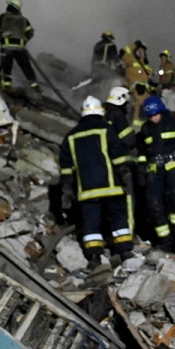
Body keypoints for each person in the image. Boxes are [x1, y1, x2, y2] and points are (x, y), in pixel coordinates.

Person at [59, 96, 135, 267]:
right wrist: (125, 176)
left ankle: (94, 257)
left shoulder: (71, 136)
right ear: (100, 112)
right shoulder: (105, 129)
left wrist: (67, 190)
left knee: (91, 224)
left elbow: (66, 168)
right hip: (110, 187)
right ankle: (124, 251)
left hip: (86, 191)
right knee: (118, 219)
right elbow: (118, 156)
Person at [136, 95, 175, 252]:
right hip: (155, 170)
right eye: (150, 116)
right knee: (153, 204)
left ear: (162, 111)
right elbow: (143, 152)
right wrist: (141, 170)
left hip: (174, 167)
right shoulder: (145, 129)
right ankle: (164, 239)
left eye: (156, 114)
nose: (154, 118)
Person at [0, 0, 38, 91]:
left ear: (10, 6)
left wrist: (2, 34)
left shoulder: (3, 17)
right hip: (20, 48)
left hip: (6, 48)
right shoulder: (24, 20)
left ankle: (6, 86)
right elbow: (30, 33)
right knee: (26, 67)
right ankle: (35, 86)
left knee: (6, 67)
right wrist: (24, 40)